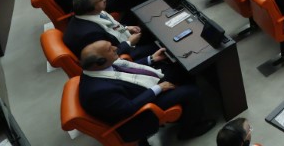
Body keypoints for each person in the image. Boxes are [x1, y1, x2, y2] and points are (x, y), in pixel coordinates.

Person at [78, 40, 215, 143]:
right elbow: (128, 109)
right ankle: (189, 130)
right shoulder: (98, 92)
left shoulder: (99, 68)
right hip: (139, 112)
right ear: (100, 61)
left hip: (137, 90)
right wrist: (158, 88)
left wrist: (151, 59)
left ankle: (186, 113)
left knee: (180, 68)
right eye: (110, 49)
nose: (116, 48)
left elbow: (128, 70)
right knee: (191, 91)